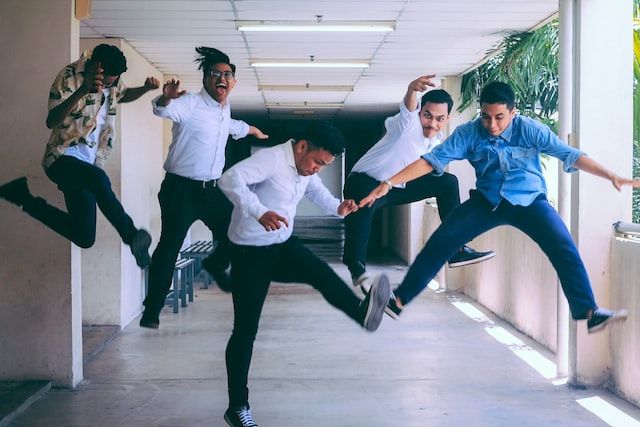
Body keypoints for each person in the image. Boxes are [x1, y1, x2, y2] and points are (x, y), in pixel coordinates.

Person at [360, 81, 634, 333]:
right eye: (486, 116)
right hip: (487, 202)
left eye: (499, 117)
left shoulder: (531, 130)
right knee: (441, 242)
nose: (491, 124)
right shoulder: (468, 133)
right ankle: (398, 300)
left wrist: (611, 175)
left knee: (564, 247)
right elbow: (432, 159)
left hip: (530, 202)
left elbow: (570, 155)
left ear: (513, 112)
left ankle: (589, 311)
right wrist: (389, 181)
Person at [218, 121, 390, 427]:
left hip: (282, 243)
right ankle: (237, 407)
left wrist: (339, 207)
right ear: (301, 147)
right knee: (245, 331)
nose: (317, 169)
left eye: (325, 165)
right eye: (318, 162)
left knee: (321, 273)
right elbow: (229, 180)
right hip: (249, 253)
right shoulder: (271, 159)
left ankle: (362, 313)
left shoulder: (303, 169)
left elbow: (316, 191)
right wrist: (258, 211)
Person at [139, 47, 268, 329]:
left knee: (235, 236)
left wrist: (251, 130)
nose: (222, 79)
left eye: (227, 75)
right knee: (170, 246)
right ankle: (152, 310)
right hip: (180, 190)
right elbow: (162, 109)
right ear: (205, 79)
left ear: (233, 82)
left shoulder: (224, 110)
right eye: (215, 74)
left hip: (211, 191)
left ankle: (216, 265)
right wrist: (165, 97)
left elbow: (229, 126)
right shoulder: (190, 104)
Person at [0, 44, 159, 267]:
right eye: (108, 78)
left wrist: (144, 89)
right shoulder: (68, 77)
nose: (110, 83)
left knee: (84, 237)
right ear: (96, 65)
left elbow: (123, 95)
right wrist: (83, 90)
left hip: (88, 165)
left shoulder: (112, 83)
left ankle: (23, 197)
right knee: (99, 180)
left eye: (114, 80)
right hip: (61, 158)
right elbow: (51, 121)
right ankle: (132, 236)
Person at [343, 75, 494, 296]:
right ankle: (356, 264)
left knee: (448, 182)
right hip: (362, 181)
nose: (432, 124)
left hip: (395, 188)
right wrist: (412, 90)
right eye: (427, 116)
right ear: (420, 113)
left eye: (439, 119)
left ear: (447, 119)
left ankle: (456, 249)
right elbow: (408, 109)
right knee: (366, 200)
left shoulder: (436, 143)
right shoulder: (408, 124)